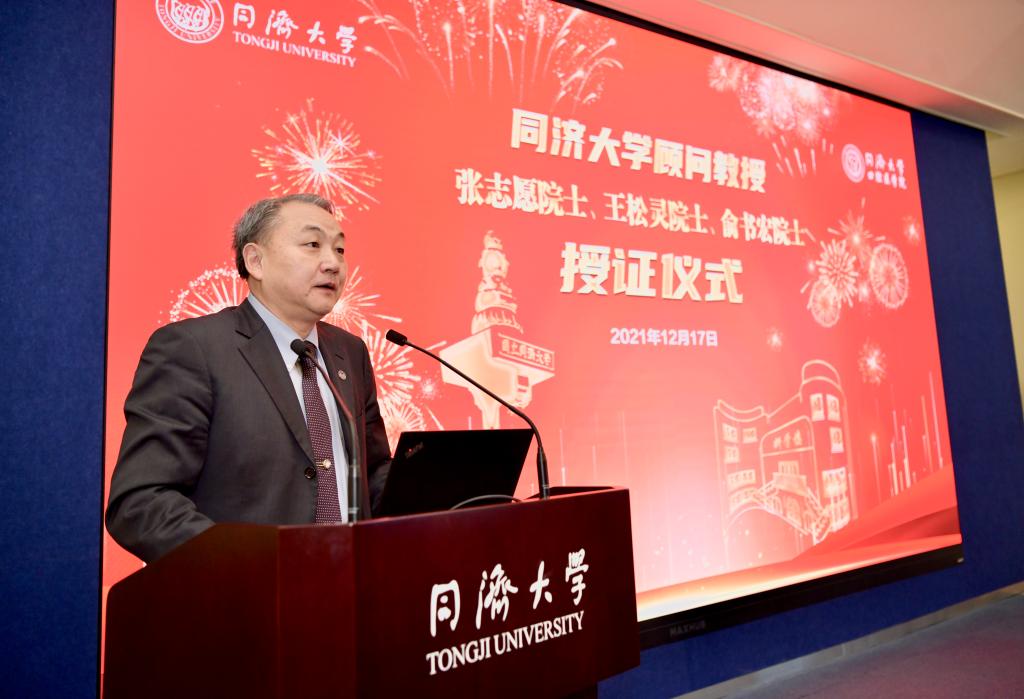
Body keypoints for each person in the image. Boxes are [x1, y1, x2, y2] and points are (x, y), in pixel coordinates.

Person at [106, 193, 391, 563]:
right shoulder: (194, 349)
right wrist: (246, 564)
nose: (333, 263)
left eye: (339, 250)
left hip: (350, 584)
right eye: (312, 245)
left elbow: (372, 475)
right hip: (246, 589)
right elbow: (141, 501)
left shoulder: (348, 353)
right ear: (255, 260)